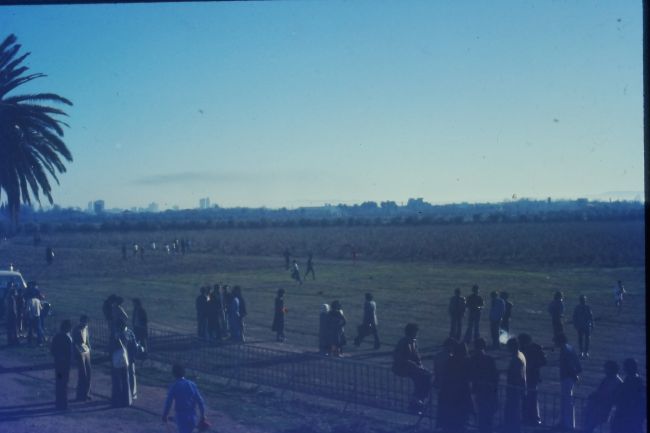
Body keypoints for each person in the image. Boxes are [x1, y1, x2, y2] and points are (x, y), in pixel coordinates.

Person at [392, 323, 432, 414]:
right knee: (421, 378)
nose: (417, 334)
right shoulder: (404, 342)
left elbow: (417, 356)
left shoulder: (413, 342)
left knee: (426, 377)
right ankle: (417, 402)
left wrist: (420, 366)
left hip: (411, 367)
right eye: (416, 332)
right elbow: (401, 359)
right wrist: (417, 367)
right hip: (402, 367)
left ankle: (418, 400)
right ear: (411, 332)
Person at [163, 364, 207, 433]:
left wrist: (165, 414)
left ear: (173, 374)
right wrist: (203, 415)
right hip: (192, 415)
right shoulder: (192, 384)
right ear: (184, 373)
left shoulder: (174, 386)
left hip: (181, 416)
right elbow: (200, 401)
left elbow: (168, 403)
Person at [440, 342, 473, 433]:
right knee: (461, 418)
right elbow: (469, 376)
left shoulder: (450, 360)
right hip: (462, 392)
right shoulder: (466, 361)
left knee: (451, 418)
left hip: (450, 392)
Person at [583, 361, 622, 433]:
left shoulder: (617, 382)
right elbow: (599, 391)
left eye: (606, 368)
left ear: (612, 369)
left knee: (591, 420)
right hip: (598, 405)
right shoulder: (606, 379)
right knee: (587, 416)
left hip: (606, 407)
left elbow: (615, 398)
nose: (605, 370)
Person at [469, 338, 498, 433]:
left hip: (477, 390)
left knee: (478, 413)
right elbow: (495, 376)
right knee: (487, 415)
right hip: (488, 391)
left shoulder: (472, 359)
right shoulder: (489, 359)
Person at [554, 332, 582, 431]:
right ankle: (566, 422)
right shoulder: (569, 348)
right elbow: (577, 364)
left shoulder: (565, 350)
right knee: (567, 401)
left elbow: (569, 366)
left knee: (566, 401)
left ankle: (567, 424)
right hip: (569, 377)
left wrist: (574, 376)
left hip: (567, 377)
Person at [610, 358, 646, 433]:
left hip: (629, 413)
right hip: (626, 413)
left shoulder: (636, 381)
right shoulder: (630, 379)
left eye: (625, 367)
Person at [518, 333, 546, 426]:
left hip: (532, 377)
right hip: (525, 377)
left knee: (532, 398)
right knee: (527, 399)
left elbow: (543, 361)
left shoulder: (535, 348)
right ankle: (527, 418)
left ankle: (535, 419)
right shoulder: (523, 348)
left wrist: (533, 366)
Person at [503, 338, 526, 433]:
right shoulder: (521, 355)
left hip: (514, 388)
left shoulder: (516, 358)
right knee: (514, 409)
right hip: (517, 387)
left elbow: (516, 375)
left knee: (512, 410)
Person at [433, 337, 456, 431]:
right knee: (448, 406)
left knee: (441, 405)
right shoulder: (450, 357)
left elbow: (436, 370)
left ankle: (440, 424)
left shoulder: (437, 355)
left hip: (440, 383)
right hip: (448, 385)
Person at [50, 319, 73, 410]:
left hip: (58, 365)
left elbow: (52, 350)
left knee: (59, 384)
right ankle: (63, 405)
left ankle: (59, 403)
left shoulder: (57, 337)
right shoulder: (67, 338)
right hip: (65, 366)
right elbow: (70, 352)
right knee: (64, 384)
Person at [109, 320, 132, 408]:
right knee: (125, 380)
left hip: (116, 360)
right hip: (125, 359)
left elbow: (112, 347)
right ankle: (126, 400)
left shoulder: (115, 335)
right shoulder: (127, 334)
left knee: (116, 382)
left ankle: (116, 401)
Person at [72, 315, 92, 401]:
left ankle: (86, 393)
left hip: (86, 351)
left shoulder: (86, 328)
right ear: (81, 321)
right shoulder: (76, 330)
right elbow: (74, 342)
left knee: (89, 373)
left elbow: (87, 339)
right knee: (83, 374)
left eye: (86, 322)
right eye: (84, 322)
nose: (85, 324)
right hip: (80, 352)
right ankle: (80, 395)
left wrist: (89, 347)